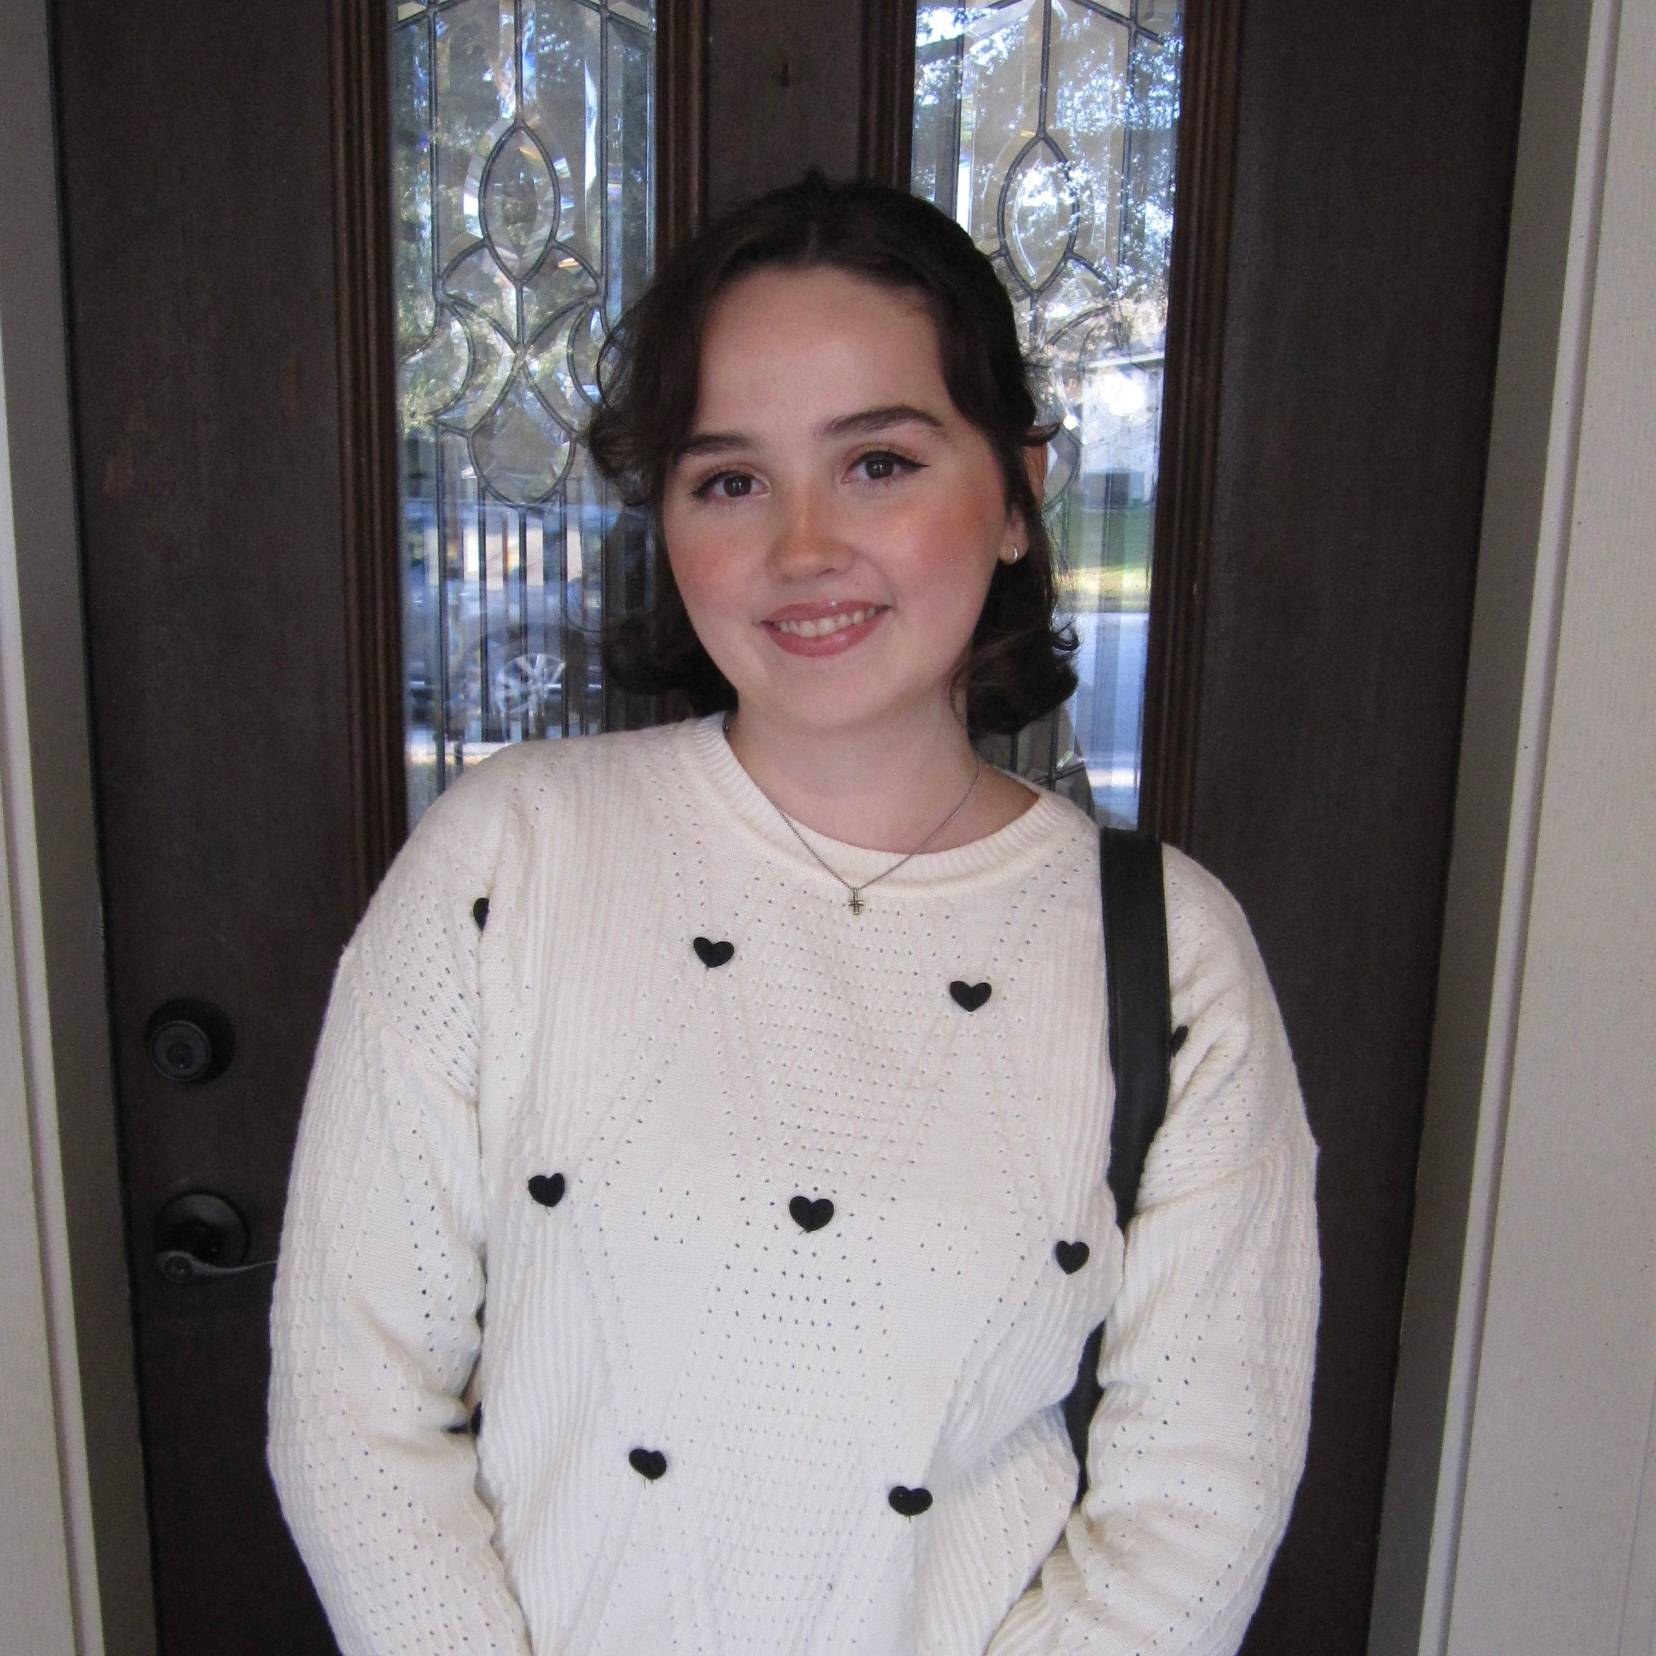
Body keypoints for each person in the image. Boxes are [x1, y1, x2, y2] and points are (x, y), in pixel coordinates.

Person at [268, 173, 1319, 1656]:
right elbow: (352, 1406)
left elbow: (1194, 1503)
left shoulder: (1171, 956)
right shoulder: (512, 857)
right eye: (730, 480)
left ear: (1018, 491)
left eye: (880, 463)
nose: (804, 548)